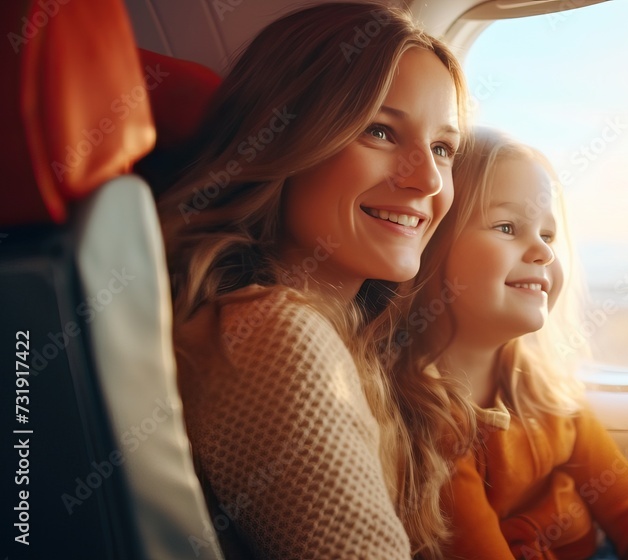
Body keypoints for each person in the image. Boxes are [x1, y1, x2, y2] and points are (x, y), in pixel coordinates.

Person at [156, 4, 468, 558]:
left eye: (443, 148)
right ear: (282, 139)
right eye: (380, 130)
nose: (426, 179)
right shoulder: (278, 335)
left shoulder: (351, 332)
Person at [394, 128, 628, 559]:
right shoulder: (434, 431)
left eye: (548, 235)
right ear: (429, 247)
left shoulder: (548, 394)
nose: (542, 252)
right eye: (507, 227)